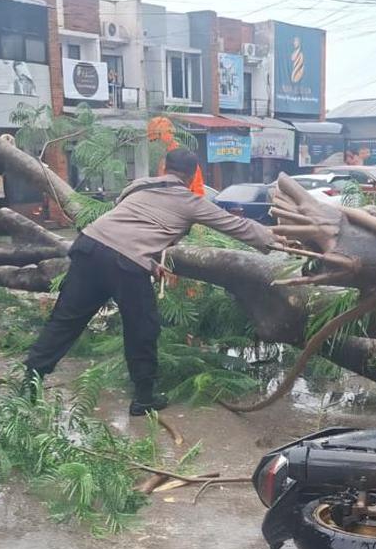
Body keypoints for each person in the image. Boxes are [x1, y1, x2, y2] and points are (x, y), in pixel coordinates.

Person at [24, 149, 280, 416]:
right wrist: (278, 241)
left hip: (89, 247)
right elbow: (236, 226)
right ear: (193, 175)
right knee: (142, 330)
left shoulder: (137, 187)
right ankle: (144, 398)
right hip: (124, 264)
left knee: (65, 320)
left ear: (163, 167)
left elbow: (130, 226)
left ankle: (30, 381)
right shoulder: (191, 202)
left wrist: (150, 263)